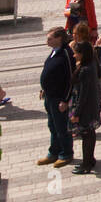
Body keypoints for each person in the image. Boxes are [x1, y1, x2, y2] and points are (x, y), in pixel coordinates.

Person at [37, 27, 75, 168]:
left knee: (62, 127)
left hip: (59, 98)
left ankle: (66, 153)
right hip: (50, 96)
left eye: (50, 38)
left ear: (59, 38)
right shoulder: (54, 52)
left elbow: (71, 79)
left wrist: (65, 100)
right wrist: (44, 89)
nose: (47, 41)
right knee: (52, 125)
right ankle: (54, 152)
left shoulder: (66, 53)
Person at [68, 40, 101, 175]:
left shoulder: (85, 70)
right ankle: (90, 159)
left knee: (86, 135)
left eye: (76, 53)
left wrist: (76, 113)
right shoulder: (92, 64)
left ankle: (86, 164)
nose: (74, 56)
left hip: (86, 109)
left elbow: (83, 95)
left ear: (82, 54)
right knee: (90, 134)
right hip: (93, 106)